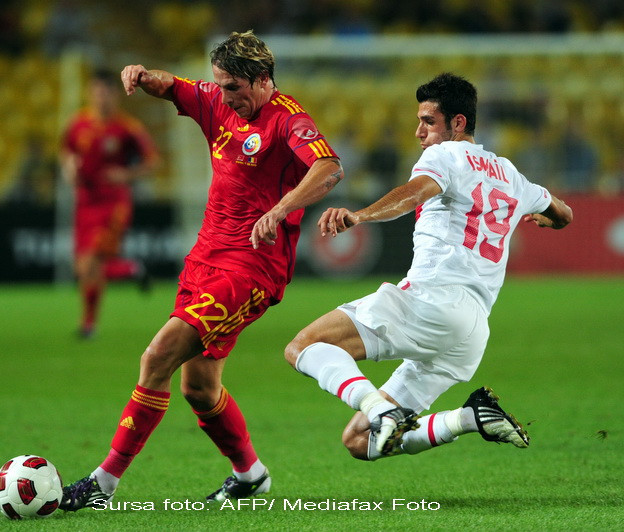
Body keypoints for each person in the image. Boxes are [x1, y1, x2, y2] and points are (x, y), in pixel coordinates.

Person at [59, 30, 343, 510]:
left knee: (157, 358)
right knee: (198, 387)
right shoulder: (217, 101)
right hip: (204, 260)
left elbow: (329, 168)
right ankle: (250, 474)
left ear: (263, 80)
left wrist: (280, 209)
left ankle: (102, 484)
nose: (225, 96)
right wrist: (142, 76)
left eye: (234, 87)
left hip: (251, 267)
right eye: (220, 85)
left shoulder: (287, 120)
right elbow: (174, 86)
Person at [285, 72, 572, 462]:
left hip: (432, 301)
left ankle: (379, 408)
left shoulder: (445, 155)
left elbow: (415, 192)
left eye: (428, 121)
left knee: (303, 347)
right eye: (419, 120)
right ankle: (468, 417)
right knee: (360, 441)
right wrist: (548, 219)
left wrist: (360, 216)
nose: (419, 131)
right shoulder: (512, 175)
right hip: (471, 331)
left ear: (458, 123)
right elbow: (564, 213)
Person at [61, 68, 160, 338]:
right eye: (96, 91)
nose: (101, 97)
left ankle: (89, 324)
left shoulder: (128, 128)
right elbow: (67, 153)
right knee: (83, 268)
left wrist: (126, 174)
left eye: (105, 92)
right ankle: (130, 270)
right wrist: (69, 168)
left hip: (113, 204)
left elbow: (152, 162)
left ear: (115, 95)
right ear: (90, 93)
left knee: (92, 262)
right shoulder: (78, 123)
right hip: (84, 202)